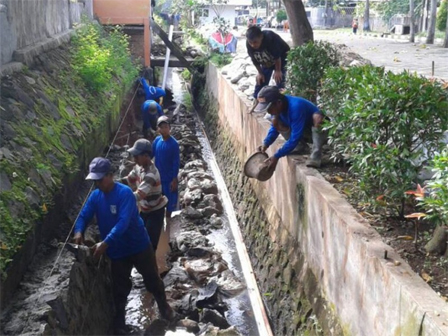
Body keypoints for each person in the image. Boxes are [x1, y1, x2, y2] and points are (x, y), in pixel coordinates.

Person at [73, 157, 173, 334]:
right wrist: (79, 231)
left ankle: (165, 310)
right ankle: (120, 323)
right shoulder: (96, 197)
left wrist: (105, 243)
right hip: (118, 252)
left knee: (152, 281)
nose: (97, 183)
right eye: (94, 180)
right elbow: (83, 216)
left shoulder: (124, 193)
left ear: (110, 176)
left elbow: (123, 222)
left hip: (138, 246)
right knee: (119, 288)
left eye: (100, 179)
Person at [255, 86, 326, 169]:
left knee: (317, 118)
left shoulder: (296, 107)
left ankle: (316, 156)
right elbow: (274, 128)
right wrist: (266, 143)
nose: (269, 112)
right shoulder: (276, 109)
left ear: (278, 102)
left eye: (269, 108)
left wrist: (277, 156)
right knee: (276, 122)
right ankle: (299, 146)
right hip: (300, 129)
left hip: (314, 131)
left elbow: (295, 137)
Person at [125, 139, 167, 252]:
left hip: (155, 211)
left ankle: (151, 267)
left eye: (137, 156)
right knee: (140, 237)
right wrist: (114, 185)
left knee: (149, 245)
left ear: (146, 156)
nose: (134, 159)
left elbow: (139, 195)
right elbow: (129, 179)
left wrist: (120, 197)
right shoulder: (139, 167)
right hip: (144, 209)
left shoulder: (152, 174)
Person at [246, 26, 290, 110]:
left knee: (279, 79)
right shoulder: (249, 44)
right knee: (261, 79)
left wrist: (278, 70)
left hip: (282, 57)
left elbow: (278, 57)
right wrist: (260, 72)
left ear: (261, 37)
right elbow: (254, 59)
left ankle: (278, 104)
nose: (253, 45)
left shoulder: (270, 38)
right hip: (267, 60)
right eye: (250, 42)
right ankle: (256, 101)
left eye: (255, 42)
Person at [152, 116, 180, 221]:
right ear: (158, 129)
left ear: (169, 128)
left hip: (169, 179)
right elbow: (151, 155)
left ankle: (168, 224)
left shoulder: (174, 144)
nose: (163, 129)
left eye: (165, 127)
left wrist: (174, 179)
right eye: (161, 127)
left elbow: (176, 163)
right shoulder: (157, 141)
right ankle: (160, 225)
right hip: (158, 178)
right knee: (158, 203)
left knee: (170, 204)